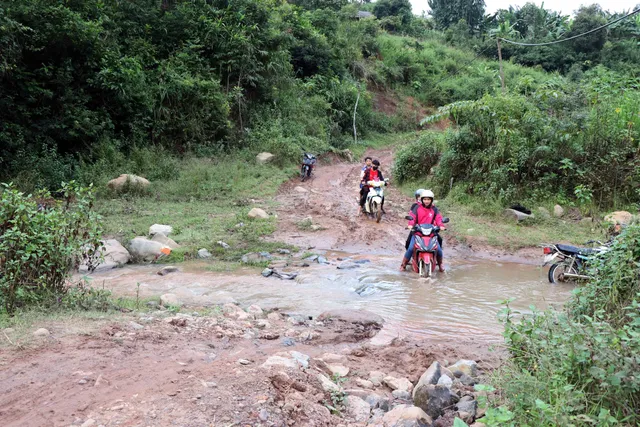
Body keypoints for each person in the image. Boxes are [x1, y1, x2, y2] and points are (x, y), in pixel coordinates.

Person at [400, 190, 446, 272]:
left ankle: (440, 264)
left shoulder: (434, 209)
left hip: (431, 233)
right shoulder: (416, 207)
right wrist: (411, 224)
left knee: (438, 249)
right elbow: (412, 217)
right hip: (418, 232)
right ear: (421, 199)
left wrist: (441, 225)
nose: (426, 201)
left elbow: (438, 218)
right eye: (425, 199)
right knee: (410, 248)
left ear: (431, 200)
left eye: (428, 199)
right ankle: (403, 265)